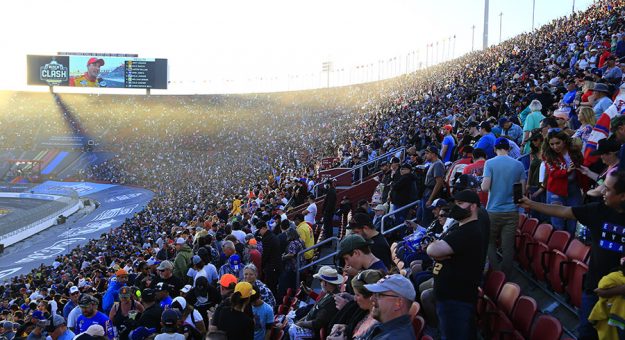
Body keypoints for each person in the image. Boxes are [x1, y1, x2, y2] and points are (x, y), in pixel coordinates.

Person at [519, 171, 625, 340]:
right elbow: (562, 211)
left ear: (622, 196)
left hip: (621, 298)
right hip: (594, 291)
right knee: (587, 334)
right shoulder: (598, 211)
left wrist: (619, 289)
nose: (602, 192)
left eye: (608, 189)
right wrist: (531, 203)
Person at [427, 190, 486, 340]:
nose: (455, 207)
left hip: (457, 301)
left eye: (460, 204)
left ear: (473, 207)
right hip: (450, 299)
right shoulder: (460, 228)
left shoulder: (469, 231)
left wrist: (437, 250)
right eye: (455, 204)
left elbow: (432, 248)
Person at [481, 137, 525, 276]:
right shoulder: (518, 165)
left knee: (489, 242)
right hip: (512, 211)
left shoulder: (490, 163)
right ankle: (505, 277)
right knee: (507, 247)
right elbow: (522, 191)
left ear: (494, 149)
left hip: (493, 210)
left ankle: (496, 274)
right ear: (509, 148)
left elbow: (485, 187)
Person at [542, 129, 585, 234]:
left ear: (564, 141)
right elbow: (553, 173)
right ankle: (557, 247)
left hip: (573, 188)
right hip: (556, 190)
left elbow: (582, 166)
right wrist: (567, 171)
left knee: (573, 220)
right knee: (558, 223)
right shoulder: (547, 154)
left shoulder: (574, 150)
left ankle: (570, 247)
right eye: (552, 144)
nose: (555, 147)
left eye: (558, 143)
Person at [327, 270, 384, 340]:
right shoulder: (363, 312)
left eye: (357, 295)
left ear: (371, 296)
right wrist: (346, 328)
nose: (354, 299)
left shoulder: (380, 324)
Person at [289, 266, 343, 340]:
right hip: (307, 323)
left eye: (320, 281)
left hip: (313, 332)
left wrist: (299, 324)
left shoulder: (333, 300)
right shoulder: (327, 293)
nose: (320, 283)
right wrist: (299, 322)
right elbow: (314, 309)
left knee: (288, 330)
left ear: (325, 283)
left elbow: (317, 323)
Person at [362, 274, 416, 339]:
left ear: (398, 303)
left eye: (379, 295)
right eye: (374, 294)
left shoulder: (397, 337)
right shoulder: (382, 325)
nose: (371, 298)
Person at [422, 146, 446, 227]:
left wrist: (430, 199)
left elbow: (439, 183)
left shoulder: (438, 164)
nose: (425, 155)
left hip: (431, 192)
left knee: (427, 219)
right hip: (427, 191)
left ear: (433, 154)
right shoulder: (433, 163)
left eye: (427, 153)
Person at [258, 221, 281, 293]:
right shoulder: (271, 235)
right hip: (275, 264)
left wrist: (262, 265)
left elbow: (265, 254)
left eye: (259, 230)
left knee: (271, 286)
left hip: (271, 266)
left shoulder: (267, 239)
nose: (259, 232)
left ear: (263, 228)